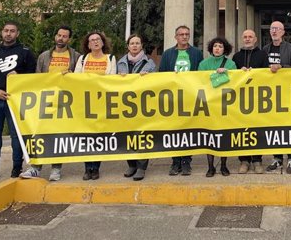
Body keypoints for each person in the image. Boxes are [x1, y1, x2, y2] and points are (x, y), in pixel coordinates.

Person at [0, 20, 37, 182]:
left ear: (17, 34)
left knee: (16, 135)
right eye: (5, 30)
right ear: (2, 33)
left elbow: (33, 75)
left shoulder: (25, 52)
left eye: (12, 31)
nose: (8, 33)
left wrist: (20, 76)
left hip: (16, 101)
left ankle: (17, 166)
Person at [20, 25, 80, 181]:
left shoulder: (76, 56)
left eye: (64, 36)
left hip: (65, 102)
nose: (61, 38)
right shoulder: (44, 56)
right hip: (45, 100)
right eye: (59, 35)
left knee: (60, 135)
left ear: (69, 39)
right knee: (40, 132)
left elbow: (81, 79)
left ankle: (56, 168)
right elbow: (37, 78)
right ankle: (35, 167)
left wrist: (73, 76)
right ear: (55, 36)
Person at [159, 25, 203, 176]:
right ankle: (175, 161)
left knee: (188, 129)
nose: (184, 37)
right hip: (173, 97)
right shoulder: (167, 54)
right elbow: (162, 74)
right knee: (174, 129)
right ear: (176, 37)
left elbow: (200, 73)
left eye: (187, 34)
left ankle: (186, 161)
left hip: (190, 96)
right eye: (181, 34)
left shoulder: (196, 53)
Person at [73, 31, 117, 181]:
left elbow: (112, 79)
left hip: (102, 102)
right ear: (88, 44)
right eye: (92, 40)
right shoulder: (83, 59)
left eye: (98, 39)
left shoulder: (110, 58)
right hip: (85, 102)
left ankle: (96, 168)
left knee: (98, 136)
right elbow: (76, 78)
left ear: (103, 42)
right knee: (86, 136)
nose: (95, 42)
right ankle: (87, 168)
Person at [117, 34, 156, 181]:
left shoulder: (149, 63)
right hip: (124, 105)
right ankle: (131, 164)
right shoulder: (120, 63)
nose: (134, 45)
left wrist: (148, 77)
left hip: (142, 105)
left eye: (137, 43)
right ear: (128, 46)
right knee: (127, 135)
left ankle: (141, 167)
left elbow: (155, 82)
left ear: (141, 46)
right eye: (132, 43)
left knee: (142, 136)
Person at [262, 21, 291, 174]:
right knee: (274, 126)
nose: (274, 31)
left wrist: (282, 67)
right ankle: (277, 158)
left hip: (287, 93)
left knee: (290, 126)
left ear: (283, 32)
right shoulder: (265, 49)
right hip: (271, 95)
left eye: (277, 29)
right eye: (272, 28)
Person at [199, 37, 237, 177]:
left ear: (224, 49)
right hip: (209, 104)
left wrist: (227, 72)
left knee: (223, 135)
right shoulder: (203, 64)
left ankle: (223, 165)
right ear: (211, 48)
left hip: (224, 104)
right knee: (209, 135)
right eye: (215, 46)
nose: (217, 48)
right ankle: (210, 167)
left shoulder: (231, 64)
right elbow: (199, 81)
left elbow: (235, 82)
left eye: (220, 46)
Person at [232, 29, 269, 174]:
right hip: (240, 100)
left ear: (255, 40)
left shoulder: (262, 55)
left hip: (258, 98)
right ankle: (244, 160)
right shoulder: (236, 56)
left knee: (257, 130)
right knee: (242, 130)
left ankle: (257, 160)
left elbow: (268, 75)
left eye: (250, 37)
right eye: (245, 37)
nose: (247, 39)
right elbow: (231, 76)